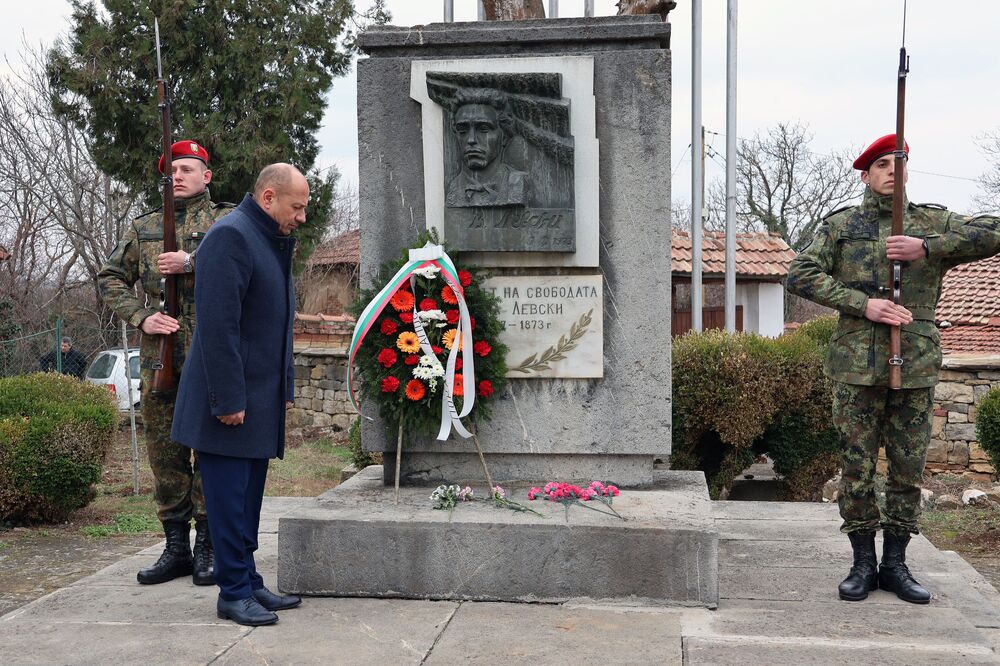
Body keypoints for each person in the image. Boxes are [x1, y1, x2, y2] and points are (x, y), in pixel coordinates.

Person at [786, 134, 1000, 604]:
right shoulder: (843, 225)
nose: (892, 170)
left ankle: (896, 563)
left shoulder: (932, 222)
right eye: (882, 164)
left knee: (907, 468)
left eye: (899, 163)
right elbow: (799, 273)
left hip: (916, 362)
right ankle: (862, 563)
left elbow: (995, 230)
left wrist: (928, 245)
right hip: (857, 364)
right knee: (857, 467)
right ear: (866, 175)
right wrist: (864, 305)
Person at [171, 163, 306, 627]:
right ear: (269, 197)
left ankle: (246, 579)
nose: (302, 217)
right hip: (227, 403)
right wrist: (228, 399)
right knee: (229, 501)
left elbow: (278, 325)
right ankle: (231, 593)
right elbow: (218, 328)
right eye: (297, 206)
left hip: (259, 399)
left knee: (248, 500)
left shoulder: (266, 240)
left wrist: (283, 387)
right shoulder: (231, 236)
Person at [97, 140, 234, 586]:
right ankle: (175, 547)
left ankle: (207, 547)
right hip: (162, 359)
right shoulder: (147, 226)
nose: (177, 176)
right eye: (171, 170)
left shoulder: (228, 221)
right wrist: (142, 316)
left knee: (211, 451)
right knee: (165, 453)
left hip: (212, 355)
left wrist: (193, 261)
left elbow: (248, 265)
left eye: (187, 168)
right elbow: (110, 277)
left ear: (206, 176)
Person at [445, 88, 528, 208]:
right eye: (463, 130)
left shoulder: (516, 183)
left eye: (483, 129)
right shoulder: (454, 188)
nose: (471, 140)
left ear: (504, 135)